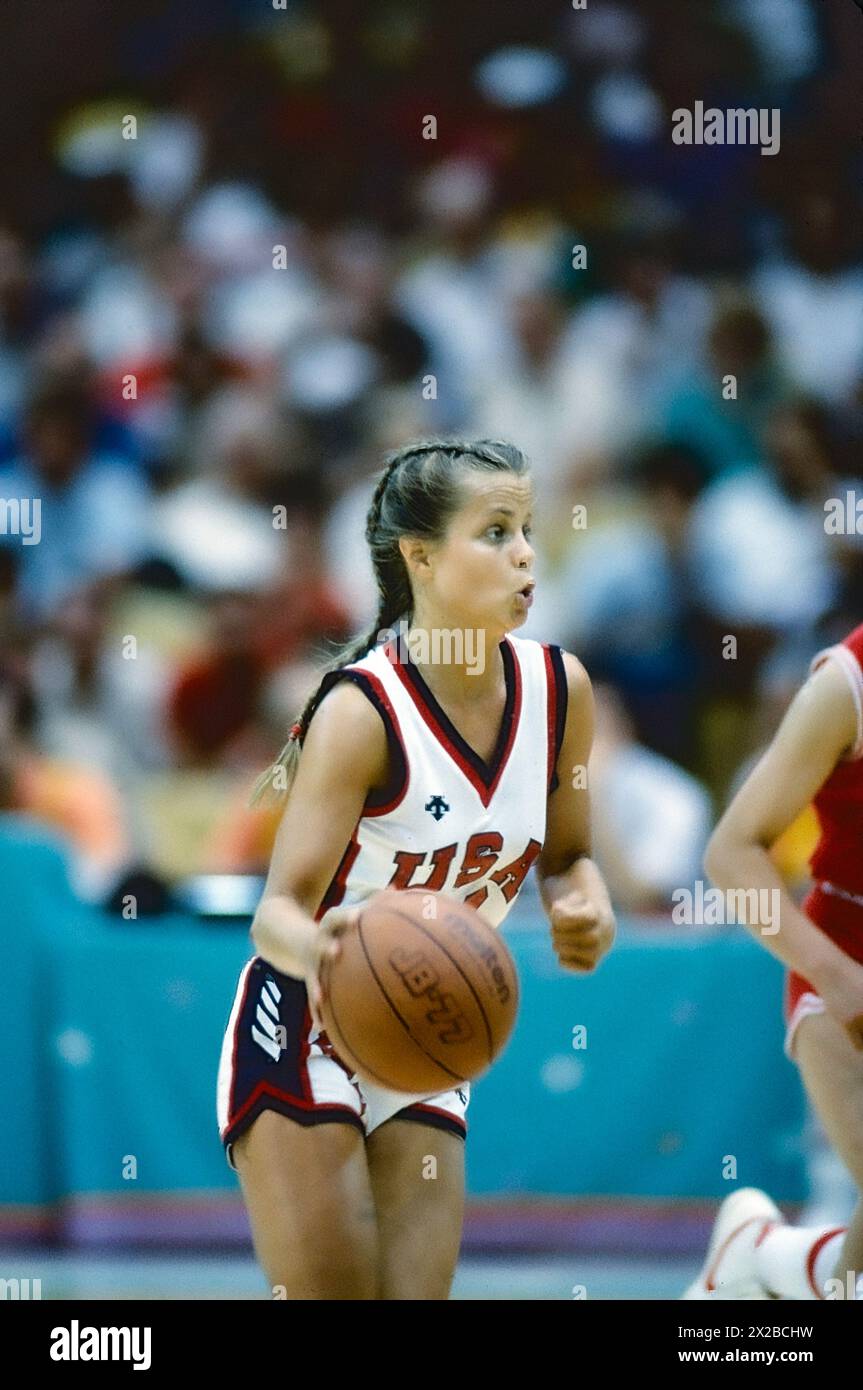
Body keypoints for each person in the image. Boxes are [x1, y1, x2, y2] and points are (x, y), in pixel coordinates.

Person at [216, 438, 616, 1299]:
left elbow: (570, 856)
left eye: (527, 530)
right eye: (495, 532)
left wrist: (585, 905)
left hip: (424, 1036)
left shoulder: (562, 691)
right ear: (421, 557)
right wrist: (331, 952)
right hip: (305, 1020)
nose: (524, 555)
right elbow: (274, 912)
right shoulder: (362, 711)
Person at [684, 624, 863, 1301]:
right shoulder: (844, 683)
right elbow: (728, 855)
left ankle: (762, 1254)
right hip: (845, 959)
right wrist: (834, 974)